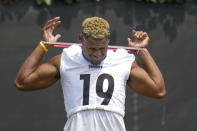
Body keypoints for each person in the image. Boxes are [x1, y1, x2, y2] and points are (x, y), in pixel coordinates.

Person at [14, 16, 166, 131]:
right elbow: (22, 82)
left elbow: (158, 90)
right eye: (92, 49)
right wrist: (44, 45)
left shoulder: (122, 60)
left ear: (108, 39)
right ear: (81, 40)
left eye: (102, 48)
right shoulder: (67, 59)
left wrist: (141, 51)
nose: (97, 54)